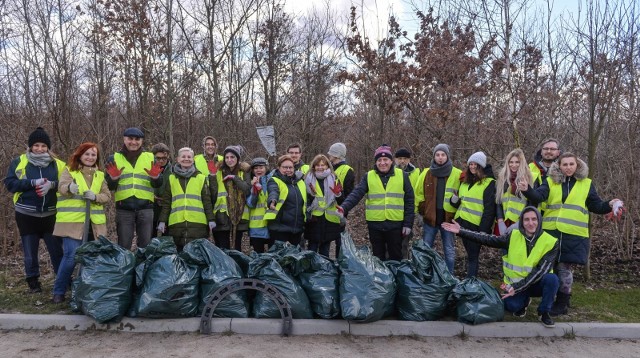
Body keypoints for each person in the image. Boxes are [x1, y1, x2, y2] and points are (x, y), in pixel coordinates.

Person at [520, 152, 624, 316]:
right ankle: (546, 300)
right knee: (547, 269)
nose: (568, 167)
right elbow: (538, 196)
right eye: (565, 164)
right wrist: (527, 190)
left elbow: (596, 206)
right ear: (559, 166)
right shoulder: (550, 182)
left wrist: (610, 204)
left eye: (571, 164)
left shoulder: (586, 184)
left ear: (577, 166)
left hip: (573, 235)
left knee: (564, 270)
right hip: (550, 234)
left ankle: (562, 304)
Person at [442, 206, 560, 328]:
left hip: (536, 283)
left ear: (539, 220)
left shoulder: (550, 242)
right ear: (522, 222)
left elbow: (539, 272)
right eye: (526, 220)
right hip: (516, 284)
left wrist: (516, 288)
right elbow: (488, 239)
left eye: (534, 219)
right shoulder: (513, 236)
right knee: (511, 306)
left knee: (552, 279)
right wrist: (461, 231)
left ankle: (544, 312)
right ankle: (523, 302)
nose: (531, 223)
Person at [4, 127, 64, 293]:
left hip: (51, 214)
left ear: (48, 147)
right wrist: (31, 183)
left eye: (43, 146)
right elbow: (10, 184)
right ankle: (33, 282)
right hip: (26, 214)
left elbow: (67, 185)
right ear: (30, 146)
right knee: (30, 253)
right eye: (36, 145)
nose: (40, 149)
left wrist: (52, 185)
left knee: (56, 251)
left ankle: (62, 279)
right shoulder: (20, 162)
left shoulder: (58, 164)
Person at [51, 142, 111, 303]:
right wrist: (70, 187)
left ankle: (87, 291)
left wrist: (96, 197)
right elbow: (61, 187)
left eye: (93, 155)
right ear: (80, 155)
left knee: (93, 258)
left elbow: (107, 196)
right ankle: (59, 291)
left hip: (94, 225)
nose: (90, 157)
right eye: (87, 154)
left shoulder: (99, 175)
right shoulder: (70, 171)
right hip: (72, 223)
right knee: (71, 256)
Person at [339, 145, 415, 261]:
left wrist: (408, 224)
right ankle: (379, 279)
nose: (382, 163)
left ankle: (394, 278)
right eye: (379, 160)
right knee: (377, 258)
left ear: (391, 161)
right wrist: (344, 207)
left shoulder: (402, 175)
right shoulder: (368, 176)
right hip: (375, 225)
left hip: (395, 225)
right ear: (376, 162)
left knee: (396, 257)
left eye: (385, 160)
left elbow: (410, 201)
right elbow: (356, 194)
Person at [105, 127, 163, 250]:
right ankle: (125, 268)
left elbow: (158, 184)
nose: (133, 142)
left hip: (145, 208)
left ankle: (143, 268)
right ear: (124, 139)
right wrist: (113, 179)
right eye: (130, 139)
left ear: (142, 141)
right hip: (124, 208)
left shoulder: (150, 157)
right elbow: (109, 186)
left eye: (137, 139)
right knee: (124, 246)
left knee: (146, 246)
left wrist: (156, 178)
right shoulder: (114, 158)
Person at [414, 144, 461, 273]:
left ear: (447, 156)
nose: (440, 158)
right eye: (438, 155)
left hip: (448, 220)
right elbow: (418, 194)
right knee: (425, 250)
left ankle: (449, 278)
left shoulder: (457, 174)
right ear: (434, 156)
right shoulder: (426, 173)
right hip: (430, 220)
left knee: (449, 251)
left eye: (443, 155)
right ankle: (424, 276)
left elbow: (463, 195)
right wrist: (420, 212)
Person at [157, 147, 215, 251]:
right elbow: (167, 203)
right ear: (178, 159)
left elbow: (207, 201)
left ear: (193, 160)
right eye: (183, 156)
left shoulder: (201, 178)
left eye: (189, 157)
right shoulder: (171, 178)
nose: (186, 159)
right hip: (176, 225)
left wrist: (211, 219)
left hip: (198, 225)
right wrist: (162, 221)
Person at [450, 151, 496, 278]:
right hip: (462, 224)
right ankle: (469, 282)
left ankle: (471, 283)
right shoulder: (465, 181)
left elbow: (489, 211)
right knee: (470, 256)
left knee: (473, 257)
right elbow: (458, 204)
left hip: (476, 227)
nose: (473, 167)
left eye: (476, 164)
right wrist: (454, 198)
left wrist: (483, 231)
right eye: (471, 164)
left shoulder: (489, 183)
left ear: (482, 166)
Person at [212, 145, 251, 250]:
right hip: (222, 215)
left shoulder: (245, 171)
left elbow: (247, 189)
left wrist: (235, 178)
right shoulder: (219, 172)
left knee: (237, 248)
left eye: (232, 157)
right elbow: (213, 193)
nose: (229, 160)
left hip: (239, 215)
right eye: (227, 157)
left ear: (237, 158)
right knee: (222, 247)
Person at [304, 154, 343, 258]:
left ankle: (325, 271)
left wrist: (338, 194)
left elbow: (340, 200)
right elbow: (305, 199)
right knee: (312, 246)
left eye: (323, 165)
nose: (320, 167)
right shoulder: (308, 179)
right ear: (313, 166)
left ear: (328, 166)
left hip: (329, 218)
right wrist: (311, 196)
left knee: (325, 247)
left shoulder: (334, 178)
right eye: (317, 165)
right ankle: (311, 269)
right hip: (314, 219)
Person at [265, 155, 307, 245]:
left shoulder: (300, 182)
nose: (288, 170)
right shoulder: (274, 180)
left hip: (297, 229)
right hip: (279, 229)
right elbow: (273, 191)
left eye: (290, 167)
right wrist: (272, 201)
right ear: (279, 168)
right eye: (285, 167)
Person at [327, 142, 355, 257]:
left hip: (339, 212)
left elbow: (349, 194)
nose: (329, 155)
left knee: (339, 241)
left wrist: (344, 212)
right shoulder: (329, 168)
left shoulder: (348, 170)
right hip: (326, 211)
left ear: (337, 155)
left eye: (331, 153)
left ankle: (339, 263)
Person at [495, 148, 533, 235]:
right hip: (504, 222)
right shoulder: (502, 178)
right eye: (511, 162)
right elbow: (498, 202)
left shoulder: (528, 178)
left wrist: (520, 222)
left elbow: (531, 203)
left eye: (517, 162)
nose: (513, 165)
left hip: (522, 223)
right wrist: (500, 221)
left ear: (522, 163)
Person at [246, 157, 273, 253]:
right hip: (256, 227)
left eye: (261, 167)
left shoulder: (273, 181)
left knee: (273, 256)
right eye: (256, 168)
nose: (258, 170)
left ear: (266, 168)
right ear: (252, 170)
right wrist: (255, 191)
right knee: (258, 258)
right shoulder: (249, 183)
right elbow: (250, 204)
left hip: (272, 225)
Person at [151, 143, 172, 230]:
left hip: (168, 206)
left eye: (164, 158)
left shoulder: (173, 170)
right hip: (152, 206)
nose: (161, 161)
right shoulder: (148, 169)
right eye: (158, 158)